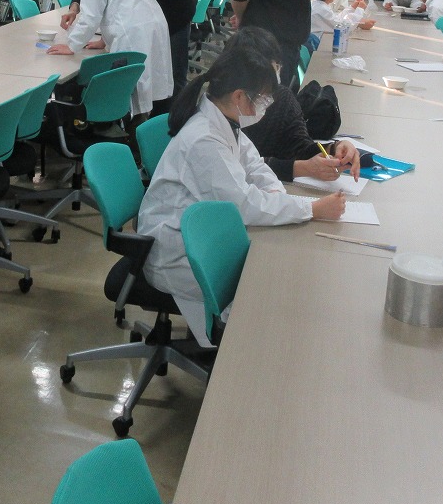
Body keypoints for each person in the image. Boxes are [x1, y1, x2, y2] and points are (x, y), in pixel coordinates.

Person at [137, 44, 345, 345]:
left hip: (201, 230)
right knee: (261, 285)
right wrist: (310, 209)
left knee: (272, 266)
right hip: (174, 253)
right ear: (238, 97)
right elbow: (244, 205)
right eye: (262, 98)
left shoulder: (224, 121)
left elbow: (255, 165)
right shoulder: (204, 139)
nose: (266, 105)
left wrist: (278, 195)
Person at [49, 0, 174, 118]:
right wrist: (104, 40)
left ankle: (131, 127)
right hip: (154, 23)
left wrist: (72, 45)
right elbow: (122, 1)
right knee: (147, 82)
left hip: (133, 32)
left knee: (130, 87)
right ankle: (142, 125)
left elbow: (91, 15)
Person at [61, 0, 196, 97]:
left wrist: (75, 43)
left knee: (173, 70)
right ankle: (153, 106)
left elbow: (132, 10)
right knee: (147, 75)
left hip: (178, 11)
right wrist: (75, 9)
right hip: (153, 19)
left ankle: (174, 108)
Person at [228, 27, 360, 183]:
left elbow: (300, 147)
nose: (267, 98)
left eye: (276, 68)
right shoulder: (221, 113)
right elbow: (239, 167)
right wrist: (301, 168)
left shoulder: (282, 99)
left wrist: (334, 149)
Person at [309, 0, 373, 43]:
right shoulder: (322, 9)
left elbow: (337, 19)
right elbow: (343, 27)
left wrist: (352, 8)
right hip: (315, 42)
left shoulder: (316, 4)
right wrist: (360, 10)